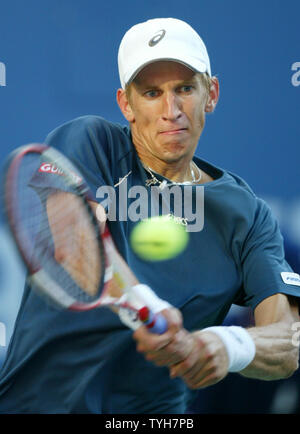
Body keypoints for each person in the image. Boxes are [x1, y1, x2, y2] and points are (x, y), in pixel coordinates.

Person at [0, 17, 299, 414]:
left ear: (212, 94)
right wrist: (143, 303)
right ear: (127, 104)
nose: (171, 110)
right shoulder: (91, 142)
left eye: (185, 89)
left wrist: (226, 347)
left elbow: (287, 340)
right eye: (152, 92)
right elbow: (74, 242)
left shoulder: (248, 216)